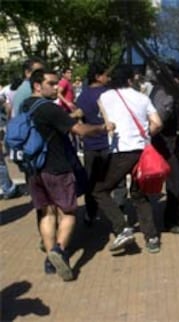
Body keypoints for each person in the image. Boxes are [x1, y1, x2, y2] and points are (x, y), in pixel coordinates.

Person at [22, 68, 115, 281]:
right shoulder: (49, 109)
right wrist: (102, 127)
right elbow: (79, 130)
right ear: (38, 85)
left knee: (46, 213)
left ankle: (49, 258)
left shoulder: (25, 105)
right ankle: (60, 250)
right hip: (57, 167)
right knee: (69, 212)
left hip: (34, 168)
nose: (58, 87)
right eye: (52, 84)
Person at [95, 64, 163, 253]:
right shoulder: (142, 98)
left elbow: (106, 119)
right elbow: (157, 123)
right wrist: (146, 134)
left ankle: (122, 227)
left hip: (121, 150)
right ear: (130, 79)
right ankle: (152, 237)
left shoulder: (105, 97)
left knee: (99, 190)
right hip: (142, 150)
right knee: (140, 195)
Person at [148, 69, 179, 234]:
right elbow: (160, 118)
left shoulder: (166, 91)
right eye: (176, 77)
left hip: (172, 141)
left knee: (178, 179)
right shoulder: (163, 93)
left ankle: (174, 213)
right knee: (176, 180)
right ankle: (169, 220)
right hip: (164, 142)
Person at [75, 62, 111, 224]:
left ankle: (91, 213)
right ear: (98, 76)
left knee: (91, 180)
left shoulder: (83, 96)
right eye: (105, 75)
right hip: (108, 143)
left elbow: (80, 118)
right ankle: (116, 212)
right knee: (113, 180)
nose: (108, 78)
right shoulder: (109, 94)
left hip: (90, 144)